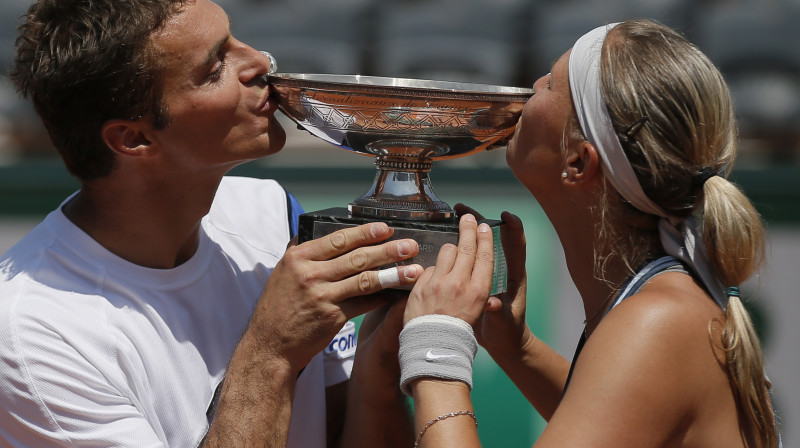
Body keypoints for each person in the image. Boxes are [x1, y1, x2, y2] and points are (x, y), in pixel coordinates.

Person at [0, 0, 421, 446]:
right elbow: (274, 352)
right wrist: (270, 351)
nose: (261, 61)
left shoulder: (272, 213)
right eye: (215, 65)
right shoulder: (31, 337)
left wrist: (380, 358)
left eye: (235, 37)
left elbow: (338, 431)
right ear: (134, 138)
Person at [396, 20, 782, 447]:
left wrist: (436, 343)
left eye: (552, 85)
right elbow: (622, 420)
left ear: (579, 162)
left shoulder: (657, 322)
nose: (534, 84)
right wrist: (516, 347)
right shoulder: (660, 307)